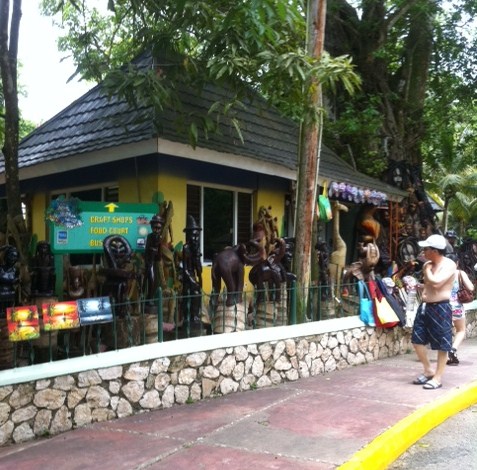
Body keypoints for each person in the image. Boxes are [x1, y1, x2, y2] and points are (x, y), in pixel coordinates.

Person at [411, 234, 456, 389]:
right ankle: (428, 370)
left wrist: (427, 270)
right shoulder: (428, 265)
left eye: (426, 249)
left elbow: (436, 283)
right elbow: (429, 285)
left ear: (435, 251)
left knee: (442, 344)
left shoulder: (449, 264)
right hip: (425, 306)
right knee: (417, 340)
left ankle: (437, 377)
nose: (424, 252)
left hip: (441, 307)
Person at [447, 257, 474, 365]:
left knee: (446, 331)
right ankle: (453, 349)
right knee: (461, 330)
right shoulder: (459, 273)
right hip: (457, 307)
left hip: (442, 307)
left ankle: (446, 355)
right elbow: (471, 287)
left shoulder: (439, 273)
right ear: (457, 263)